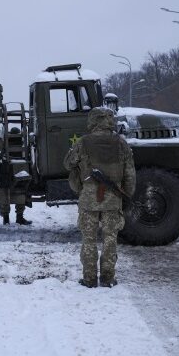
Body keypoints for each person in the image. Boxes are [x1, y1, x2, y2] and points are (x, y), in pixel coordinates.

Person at [63, 107, 136, 288]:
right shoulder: (121, 143)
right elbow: (130, 174)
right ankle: (107, 278)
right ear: (109, 121)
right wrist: (127, 194)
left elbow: (67, 163)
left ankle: (89, 279)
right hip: (113, 198)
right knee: (110, 238)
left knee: (89, 239)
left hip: (89, 198)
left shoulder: (83, 142)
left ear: (93, 121)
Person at [0, 127, 32, 225]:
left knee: (4, 194)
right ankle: (19, 217)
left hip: (6, 172)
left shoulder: (5, 145)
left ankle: (6, 219)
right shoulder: (22, 145)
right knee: (21, 192)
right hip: (20, 170)